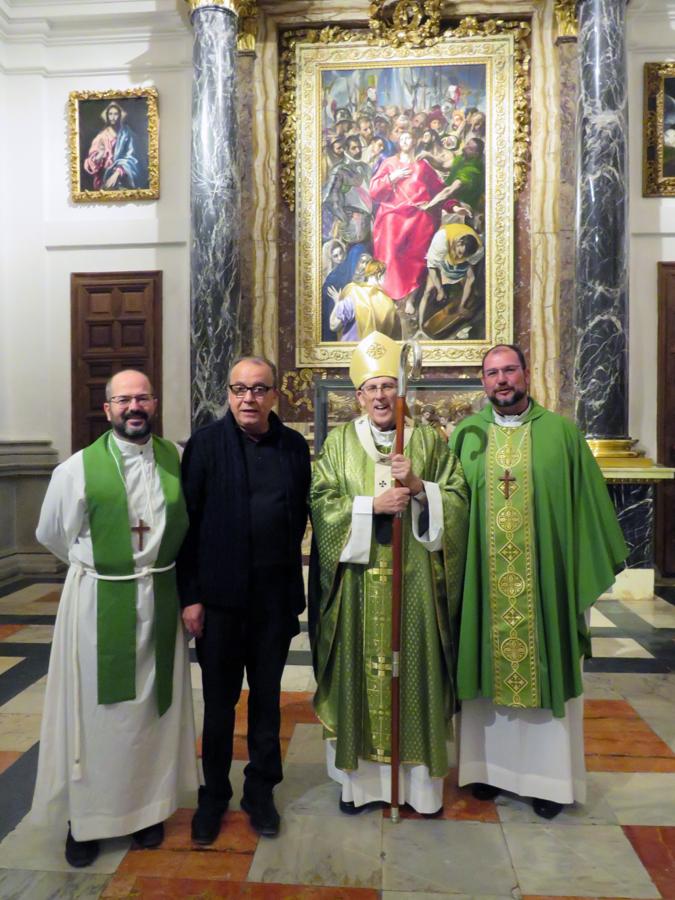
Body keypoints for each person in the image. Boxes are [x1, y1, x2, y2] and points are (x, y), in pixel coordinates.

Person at [449, 344, 628, 818]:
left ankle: (548, 782)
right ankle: (485, 771)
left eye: (509, 370)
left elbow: (588, 513)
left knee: (546, 670)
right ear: (482, 382)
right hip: (483, 588)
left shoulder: (561, 436)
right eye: (492, 373)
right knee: (483, 676)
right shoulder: (466, 436)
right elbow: (449, 507)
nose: (501, 380)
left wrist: (574, 582)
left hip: (544, 589)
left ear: (527, 374)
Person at [31, 370, 197, 867]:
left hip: (161, 596)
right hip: (100, 601)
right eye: (123, 399)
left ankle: (145, 811)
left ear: (154, 403)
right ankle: (86, 821)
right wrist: (103, 566)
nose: (134, 407)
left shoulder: (178, 460)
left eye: (142, 397)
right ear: (107, 409)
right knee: (96, 713)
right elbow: (51, 534)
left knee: (152, 711)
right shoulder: (77, 470)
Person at [309, 331, 468, 814]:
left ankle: (418, 790)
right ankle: (361, 787)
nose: (380, 397)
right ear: (358, 396)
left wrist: (422, 489)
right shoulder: (338, 443)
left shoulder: (425, 440)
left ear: (401, 393)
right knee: (360, 671)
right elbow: (321, 501)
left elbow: (457, 498)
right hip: (358, 585)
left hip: (414, 583)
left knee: (415, 672)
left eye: (387, 387)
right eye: (371, 388)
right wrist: (370, 507)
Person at [178, 357, 311, 842]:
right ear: (228, 394)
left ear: (275, 394)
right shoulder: (207, 445)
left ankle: (260, 791)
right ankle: (213, 796)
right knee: (218, 704)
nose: (248, 398)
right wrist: (190, 597)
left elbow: (297, 517)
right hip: (219, 602)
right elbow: (186, 525)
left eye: (258, 389)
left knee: (267, 702)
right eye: (239, 389)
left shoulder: (293, 446)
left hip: (273, 601)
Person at [369, 130, 453, 311]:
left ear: (415, 141)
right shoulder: (389, 163)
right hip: (392, 215)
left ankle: (410, 299)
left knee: (416, 256)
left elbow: (439, 188)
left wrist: (446, 205)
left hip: (418, 217)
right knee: (391, 253)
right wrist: (392, 178)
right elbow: (374, 191)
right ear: (398, 143)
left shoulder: (422, 165)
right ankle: (390, 296)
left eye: (409, 138)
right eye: (402, 138)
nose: (406, 141)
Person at [328, 259, 400, 342]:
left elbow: (333, 325)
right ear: (379, 274)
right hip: (375, 352)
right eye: (387, 276)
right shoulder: (388, 303)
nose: (390, 281)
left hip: (350, 350)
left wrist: (337, 302)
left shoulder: (353, 294)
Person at [84, 101, 141, 190]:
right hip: (104, 179)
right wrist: (99, 155)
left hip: (123, 178)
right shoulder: (101, 137)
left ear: (120, 116)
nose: (113, 117)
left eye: (116, 114)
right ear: (107, 116)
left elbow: (131, 157)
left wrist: (118, 172)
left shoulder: (126, 134)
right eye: (110, 114)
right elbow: (91, 163)